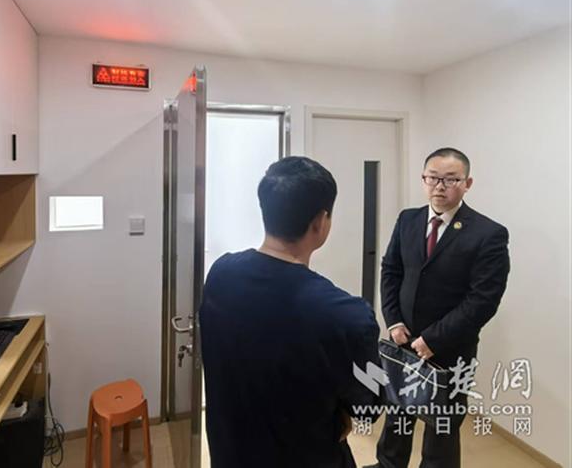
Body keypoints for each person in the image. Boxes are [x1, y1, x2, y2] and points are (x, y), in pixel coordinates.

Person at [200, 156, 381, 468]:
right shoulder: (347, 316)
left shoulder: (221, 274)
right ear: (320, 222)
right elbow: (369, 406)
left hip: (231, 454)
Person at [366, 148, 510, 468]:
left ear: (467, 183)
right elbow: (391, 271)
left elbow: (483, 299)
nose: (439, 186)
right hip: (403, 340)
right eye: (432, 178)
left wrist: (433, 339)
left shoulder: (488, 233)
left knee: (441, 427)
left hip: (449, 348)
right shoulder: (408, 219)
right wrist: (393, 321)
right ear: (423, 180)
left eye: (450, 179)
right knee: (397, 414)